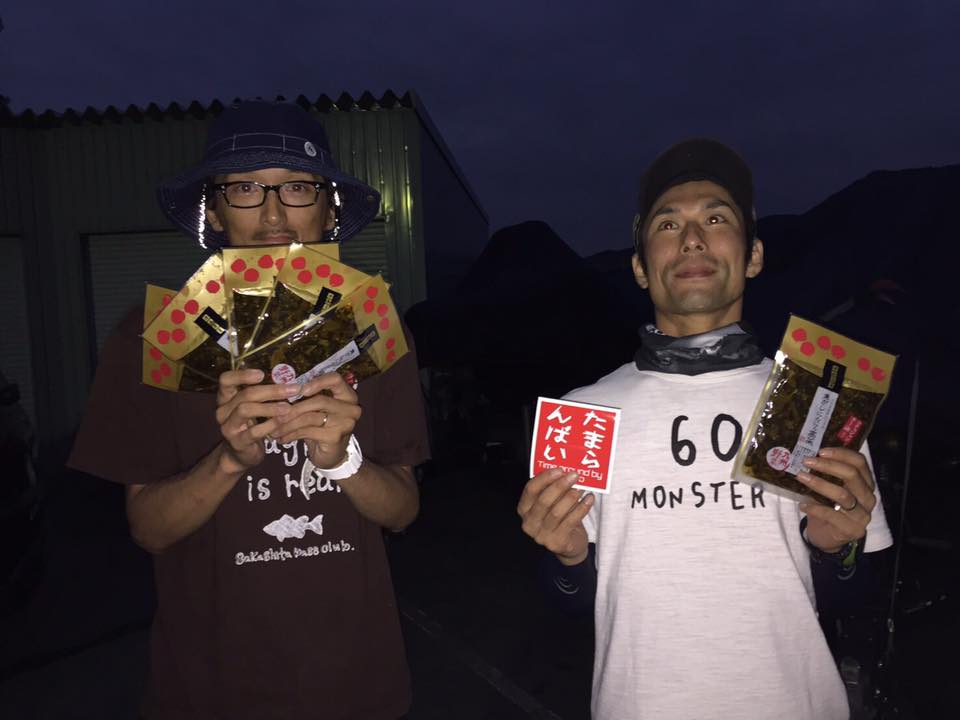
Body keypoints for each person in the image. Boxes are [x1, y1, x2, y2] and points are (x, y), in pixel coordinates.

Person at [69, 100, 430, 720]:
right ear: (212, 209)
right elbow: (149, 530)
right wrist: (229, 461)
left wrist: (343, 462)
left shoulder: (371, 327)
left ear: (329, 208)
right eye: (243, 188)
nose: (272, 214)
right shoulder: (152, 337)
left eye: (297, 187)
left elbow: (403, 510)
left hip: (355, 682)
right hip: (209, 687)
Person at [517, 139, 892, 720]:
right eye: (668, 224)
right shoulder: (582, 414)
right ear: (640, 266)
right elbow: (573, 605)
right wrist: (568, 559)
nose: (692, 238)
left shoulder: (814, 401)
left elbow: (851, 593)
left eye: (716, 219)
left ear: (754, 255)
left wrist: (836, 548)